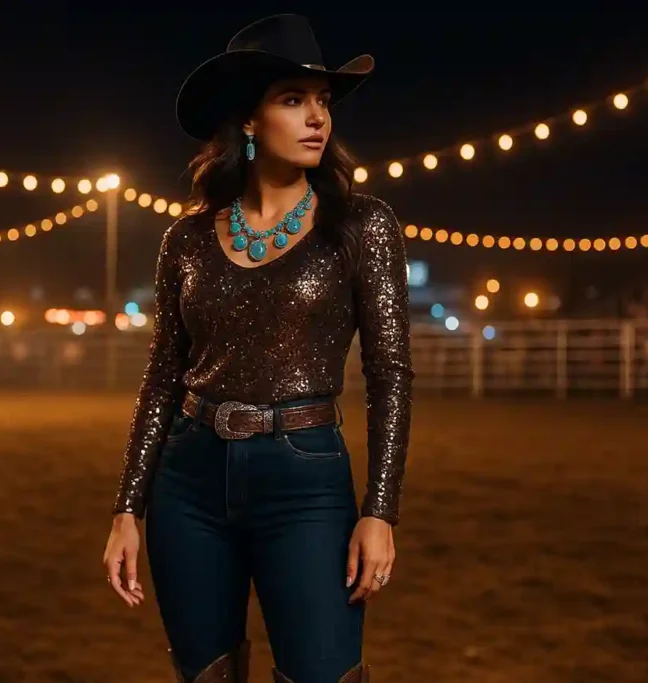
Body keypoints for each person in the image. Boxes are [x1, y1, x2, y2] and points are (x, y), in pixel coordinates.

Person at [102, 14, 414, 683]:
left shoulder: (363, 226)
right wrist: (128, 505)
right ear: (248, 120)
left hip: (306, 481)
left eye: (323, 102)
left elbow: (391, 374)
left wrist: (379, 509)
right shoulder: (185, 241)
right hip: (186, 484)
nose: (316, 119)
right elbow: (161, 377)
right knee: (205, 674)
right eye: (293, 99)